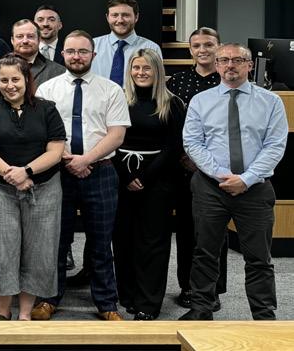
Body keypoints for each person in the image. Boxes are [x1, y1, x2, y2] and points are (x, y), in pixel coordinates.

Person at [180, 43, 287, 321]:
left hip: (255, 188)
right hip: (210, 187)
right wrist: (221, 175)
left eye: (238, 60)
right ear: (216, 65)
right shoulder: (201, 101)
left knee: (259, 257)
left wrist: (246, 179)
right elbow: (192, 143)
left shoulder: (271, 102)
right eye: (224, 60)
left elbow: (275, 146)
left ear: (249, 65)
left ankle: (264, 316)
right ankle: (201, 308)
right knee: (205, 252)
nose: (230, 65)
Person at [32, 30, 129, 322]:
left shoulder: (111, 90)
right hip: (57, 172)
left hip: (100, 171)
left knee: (101, 241)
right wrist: (67, 159)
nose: (77, 57)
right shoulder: (47, 89)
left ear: (93, 55)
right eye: (71, 51)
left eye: (83, 51)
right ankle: (48, 299)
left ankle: (107, 303)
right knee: (55, 240)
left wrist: (86, 159)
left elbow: (117, 135)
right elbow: (41, 132)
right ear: (63, 54)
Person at [0, 54, 66, 320]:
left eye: (15, 79)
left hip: (43, 186)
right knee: (1, 248)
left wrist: (27, 171)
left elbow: (56, 151)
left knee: (38, 248)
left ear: (27, 79)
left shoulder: (47, 109)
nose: (10, 85)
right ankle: (3, 312)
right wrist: (12, 174)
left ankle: (25, 314)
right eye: (4, 80)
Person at [112, 49, 186, 320]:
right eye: (136, 68)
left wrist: (145, 177)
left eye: (147, 68)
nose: (141, 73)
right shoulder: (118, 99)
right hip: (121, 176)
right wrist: (126, 176)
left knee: (153, 242)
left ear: (157, 71)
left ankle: (149, 302)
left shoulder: (172, 103)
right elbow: (108, 137)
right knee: (123, 239)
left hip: (158, 179)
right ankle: (128, 295)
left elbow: (174, 146)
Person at [166, 27, 226, 309]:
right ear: (190, 50)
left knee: (214, 230)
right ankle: (188, 286)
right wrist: (185, 156)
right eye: (197, 45)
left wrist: (209, 162)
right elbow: (171, 124)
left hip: (217, 168)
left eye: (208, 45)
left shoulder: (226, 80)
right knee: (186, 230)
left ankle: (213, 289)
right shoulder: (177, 82)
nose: (202, 50)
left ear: (218, 47)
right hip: (184, 166)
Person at [0, 19, 65, 100]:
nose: (25, 41)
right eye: (19, 36)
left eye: (30, 36)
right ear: (12, 40)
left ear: (39, 40)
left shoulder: (58, 71)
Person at [90, 0, 162, 87]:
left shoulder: (152, 48)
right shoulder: (92, 46)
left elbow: (157, 85)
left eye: (126, 15)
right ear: (107, 17)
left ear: (136, 17)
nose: (120, 20)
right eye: (115, 15)